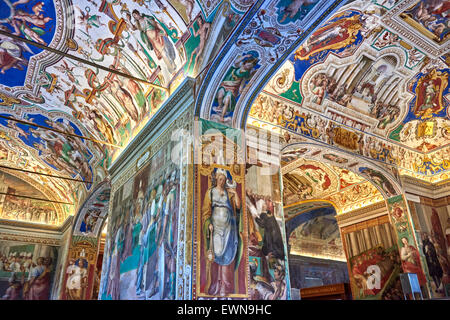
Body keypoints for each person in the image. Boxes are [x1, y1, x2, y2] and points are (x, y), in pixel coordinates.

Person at [202, 168, 241, 296]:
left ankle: (225, 287)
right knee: (215, 254)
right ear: (216, 179)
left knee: (227, 255)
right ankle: (214, 286)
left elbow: (238, 207)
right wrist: (208, 223)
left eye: (223, 179)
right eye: (220, 179)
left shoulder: (228, 193)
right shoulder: (211, 192)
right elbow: (206, 211)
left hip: (228, 227)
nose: (221, 181)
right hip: (216, 226)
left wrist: (235, 193)